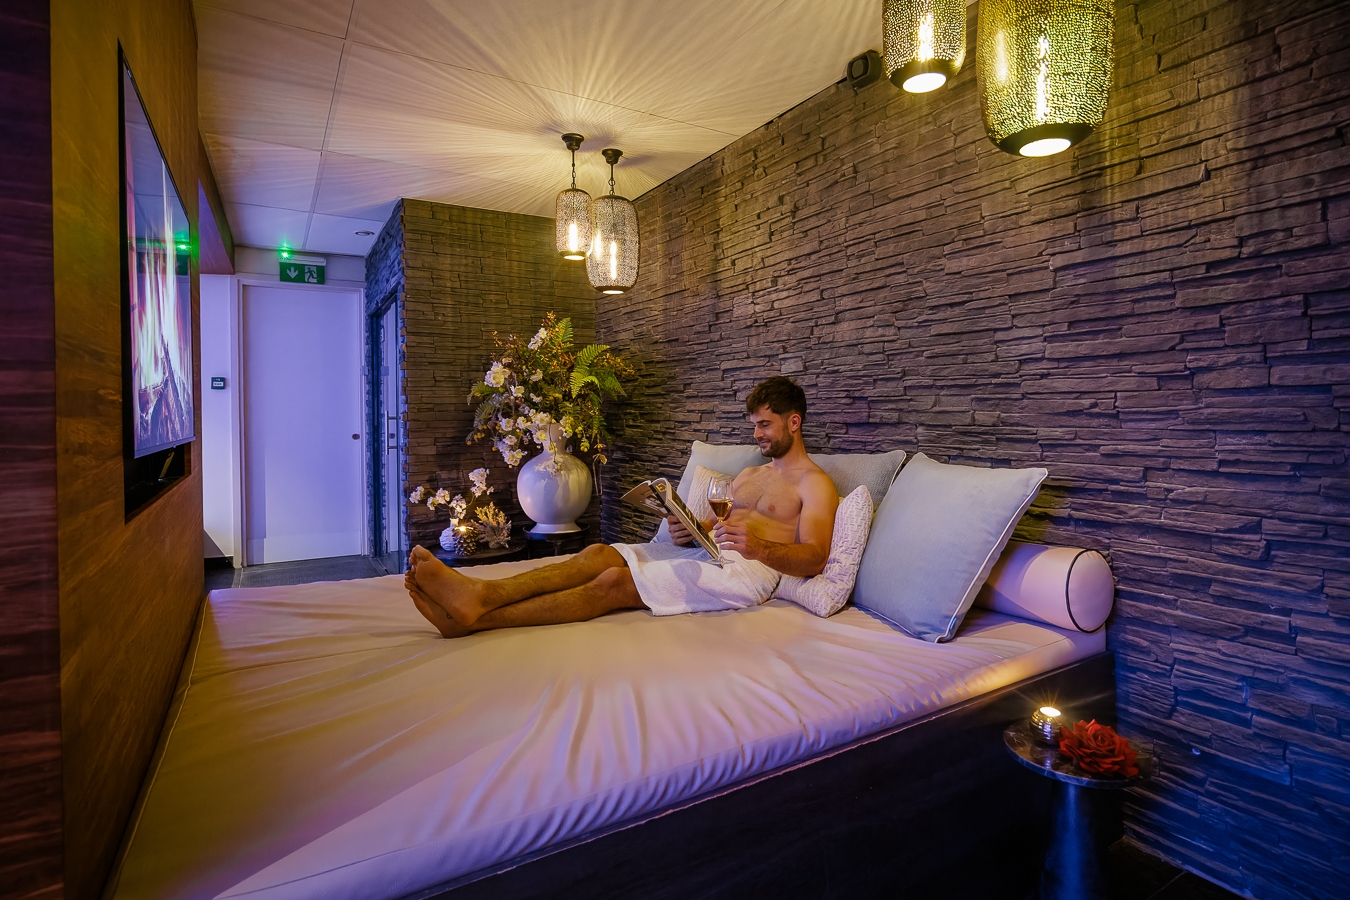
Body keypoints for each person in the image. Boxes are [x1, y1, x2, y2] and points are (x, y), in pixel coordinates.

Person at [405, 376, 839, 638]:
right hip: (710, 556)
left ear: (793, 422)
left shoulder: (814, 483)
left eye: (765, 425)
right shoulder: (749, 474)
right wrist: (687, 529)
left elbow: (815, 558)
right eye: (755, 425)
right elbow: (712, 526)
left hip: (749, 573)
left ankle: (476, 618)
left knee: (614, 582)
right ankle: (480, 594)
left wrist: (759, 547)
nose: (757, 434)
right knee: (598, 554)